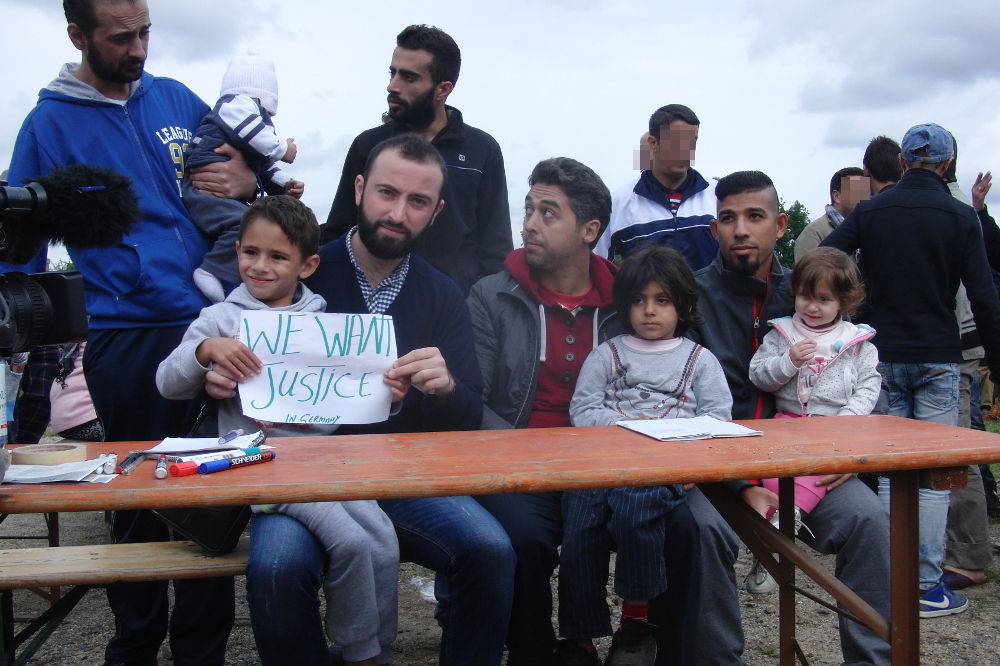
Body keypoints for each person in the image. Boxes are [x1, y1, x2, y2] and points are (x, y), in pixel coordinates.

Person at [5, 1, 258, 663]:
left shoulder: (174, 96)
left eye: (146, 31)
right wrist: (16, 344)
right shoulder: (47, 125)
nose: (140, 49)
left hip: (212, 321)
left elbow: (237, 170)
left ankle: (201, 651)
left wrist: (248, 177)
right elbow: (18, 249)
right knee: (137, 497)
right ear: (78, 35)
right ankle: (135, 643)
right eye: (122, 38)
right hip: (126, 335)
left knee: (210, 493)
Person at [207, 134, 514, 666]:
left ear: (437, 212)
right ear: (358, 189)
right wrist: (221, 368)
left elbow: (468, 413)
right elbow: (226, 339)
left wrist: (442, 388)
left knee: (491, 550)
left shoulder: (441, 294)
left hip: (399, 477)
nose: (398, 213)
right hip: (295, 475)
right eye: (387, 193)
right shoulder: (298, 267)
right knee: (277, 569)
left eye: (417, 202)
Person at [468, 158, 701, 666]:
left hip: (616, 462)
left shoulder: (629, 300)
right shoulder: (492, 294)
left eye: (549, 212)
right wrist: (518, 456)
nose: (529, 223)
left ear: (590, 230)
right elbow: (475, 398)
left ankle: (647, 638)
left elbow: (672, 377)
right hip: (521, 460)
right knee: (521, 538)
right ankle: (538, 649)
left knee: (683, 528)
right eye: (529, 208)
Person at [157, 196, 399, 666]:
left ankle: (379, 643)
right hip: (258, 470)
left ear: (307, 264)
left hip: (325, 464)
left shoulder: (326, 326)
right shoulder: (219, 320)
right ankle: (361, 652)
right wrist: (206, 351)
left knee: (382, 539)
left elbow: (336, 409)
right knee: (349, 543)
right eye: (250, 252)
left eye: (277, 256)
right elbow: (167, 383)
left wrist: (381, 391)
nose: (260, 266)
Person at [691, 170, 891, 666]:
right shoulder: (692, 296)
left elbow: (867, 377)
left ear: (780, 225)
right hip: (712, 464)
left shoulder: (812, 291)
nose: (740, 229)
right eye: (728, 218)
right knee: (701, 531)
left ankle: (872, 660)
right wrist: (739, 484)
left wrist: (856, 452)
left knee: (872, 521)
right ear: (715, 227)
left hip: (807, 459)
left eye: (754, 216)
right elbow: (677, 398)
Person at [822, 123, 1000, 617]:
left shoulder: (872, 212)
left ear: (901, 163)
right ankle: (923, 586)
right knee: (932, 474)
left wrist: (841, 312)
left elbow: (824, 254)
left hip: (883, 353)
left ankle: (883, 581)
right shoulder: (961, 216)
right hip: (940, 355)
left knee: (888, 472)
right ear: (946, 165)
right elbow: (985, 299)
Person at [562, 245, 730, 666]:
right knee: (579, 517)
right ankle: (579, 635)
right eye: (638, 300)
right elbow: (583, 408)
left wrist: (691, 462)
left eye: (662, 300)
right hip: (606, 464)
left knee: (636, 507)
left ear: (683, 305)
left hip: (666, 467)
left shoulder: (699, 360)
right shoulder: (609, 353)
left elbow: (717, 418)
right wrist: (626, 433)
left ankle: (636, 620)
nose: (649, 311)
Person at [321, 25, 511, 295]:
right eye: (393, 72)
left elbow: (496, 247)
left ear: (442, 89)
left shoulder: (483, 150)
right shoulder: (368, 145)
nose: (392, 85)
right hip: (367, 308)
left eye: (408, 77)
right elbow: (338, 232)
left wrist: (485, 311)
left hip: (455, 308)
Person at [745, 247, 880, 592]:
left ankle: (779, 534)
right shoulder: (782, 334)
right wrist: (788, 361)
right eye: (805, 296)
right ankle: (778, 532)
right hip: (786, 424)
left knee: (821, 472)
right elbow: (759, 375)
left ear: (844, 302)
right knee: (774, 474)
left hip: (833, 431)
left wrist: (847, 421)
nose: (812, 307)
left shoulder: (857, 342)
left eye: (824, 299)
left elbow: (869, 384)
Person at [183, 49, 305, 303]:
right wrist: (284, 149)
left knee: (254, 227)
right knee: (244, 224)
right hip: (202, 191)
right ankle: (210, 270)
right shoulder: (235, 106)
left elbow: (261, 165)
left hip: (219, 192)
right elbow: (257, 138)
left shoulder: (247, 126)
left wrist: (285, 183)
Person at [596, 104, 716, 271]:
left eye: (692, 141)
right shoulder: (618, 203)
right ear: (653, 143)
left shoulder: (718, 195)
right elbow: (596, 268)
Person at [792, 168, 869, 262]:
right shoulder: (814, 233)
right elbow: (805, 275)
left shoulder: (869, 229)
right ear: (837, 196)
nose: (865, 196)